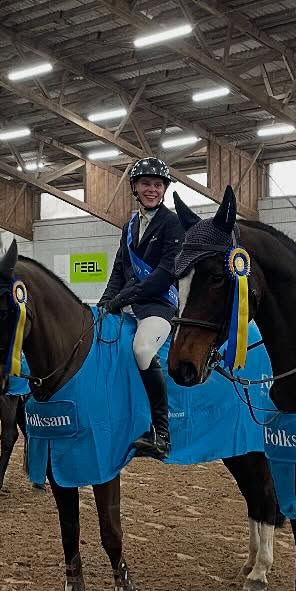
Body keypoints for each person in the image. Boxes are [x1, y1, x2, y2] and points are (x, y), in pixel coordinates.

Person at [99, 157, 183, 460]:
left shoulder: (172, 222)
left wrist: (123, 299)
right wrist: (105, 302)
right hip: (131, 301)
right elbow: (119, 269)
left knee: (143, 349)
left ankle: (161, 434)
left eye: (158, 185)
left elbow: (165, 273)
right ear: (135, 187)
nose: (152, 189)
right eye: (146, 183)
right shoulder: (130, 226)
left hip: (159, 304)